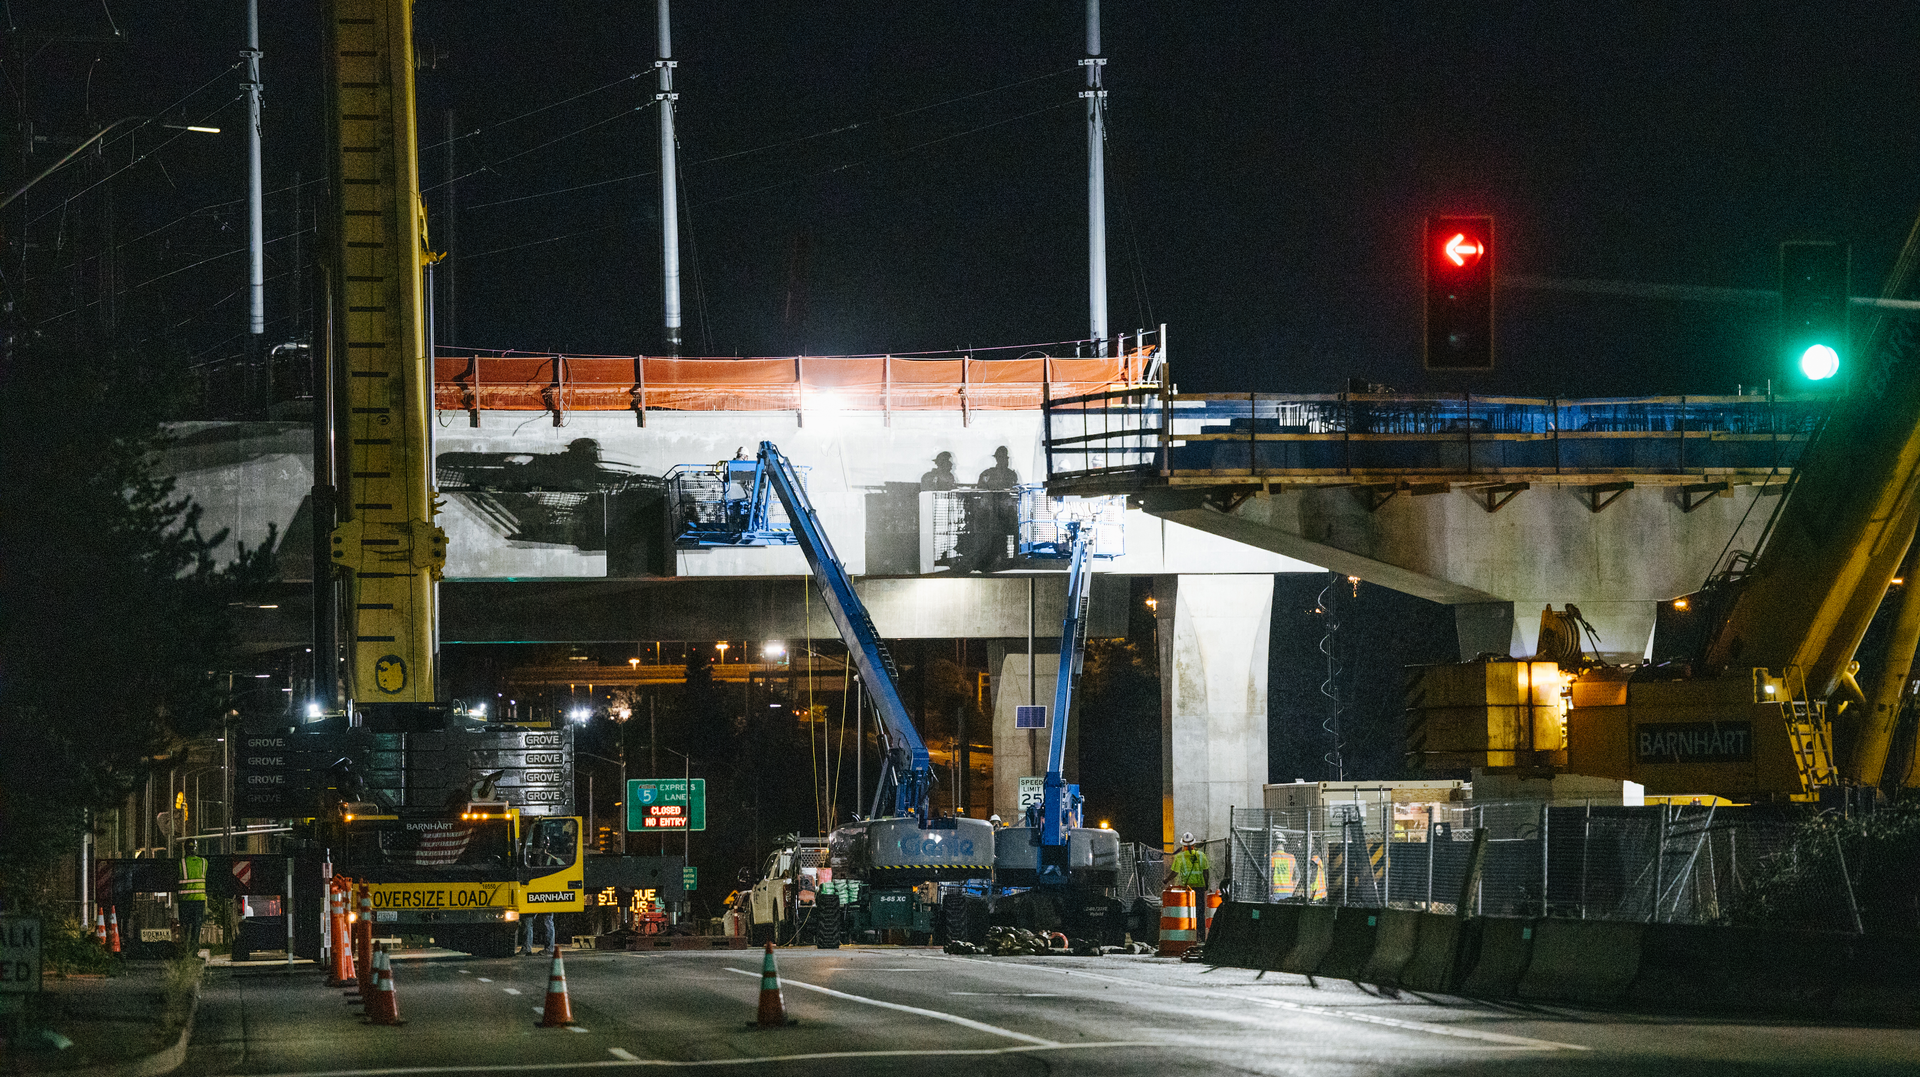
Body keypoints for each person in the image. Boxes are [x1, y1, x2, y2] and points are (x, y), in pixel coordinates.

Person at [177, 840, 208, 949]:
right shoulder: (204, 862)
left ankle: (185, 948)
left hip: (185, 900)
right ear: (196, 848)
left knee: (185, 925)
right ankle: (194, 948)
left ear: (185, 849)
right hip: (199, 900)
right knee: (197, 925)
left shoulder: (181, 863)